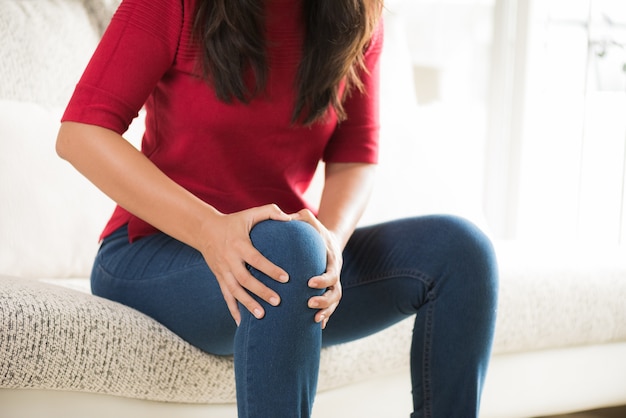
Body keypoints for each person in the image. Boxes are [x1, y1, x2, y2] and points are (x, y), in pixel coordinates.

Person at [56, 0, 499, 416]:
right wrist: (213, 231)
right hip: (151, 253)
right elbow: (81, 134)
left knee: (461, 253)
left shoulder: (357, 13)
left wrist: (332, 241)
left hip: (288, 264)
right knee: (286, 253)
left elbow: (355, 157)